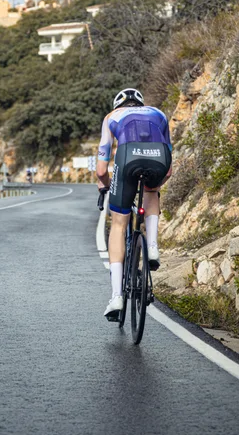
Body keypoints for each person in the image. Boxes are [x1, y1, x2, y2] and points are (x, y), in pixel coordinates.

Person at [97, 88, 172, 320]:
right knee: (151, 192)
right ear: (140, 104)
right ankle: (152, 247)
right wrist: (153, 186)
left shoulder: (111, 117)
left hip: (128, 157)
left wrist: (106, 185)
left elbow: (101, 171)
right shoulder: (159, 114)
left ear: (118, 105)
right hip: (159, 157)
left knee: (119, 224)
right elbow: (169, 170)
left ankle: (116, 296)